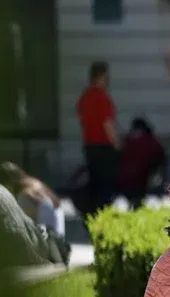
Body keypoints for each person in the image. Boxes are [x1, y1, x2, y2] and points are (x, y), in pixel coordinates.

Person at [75, 61, 119, 217]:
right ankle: (103, 217)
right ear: (102, 77)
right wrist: (117, 145)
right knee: (105, 187)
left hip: (89, 146)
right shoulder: (103, 98)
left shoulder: (84, 97)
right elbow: (107, 124)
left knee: (94, 182)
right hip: (104, 147)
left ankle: (92, 215)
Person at [0, 161, 65, 237]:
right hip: (58, 238)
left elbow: (22, 227)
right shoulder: (35, 185)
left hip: (49, 241)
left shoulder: (25, 195)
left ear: (8, 183)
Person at [117, 118, 166, 210]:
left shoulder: (127, 141)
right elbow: (161, 158)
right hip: (142, 180)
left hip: (125, 180)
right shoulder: (152, 142)